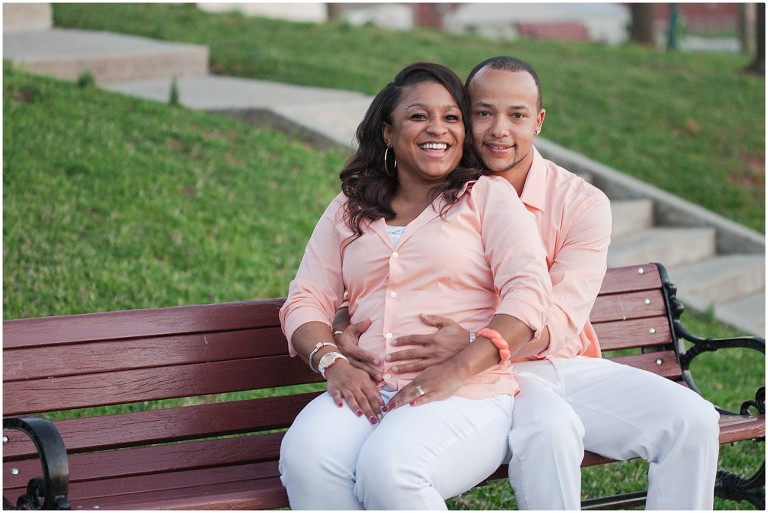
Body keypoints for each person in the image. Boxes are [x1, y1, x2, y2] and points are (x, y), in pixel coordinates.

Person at [333, 56, 720, 510]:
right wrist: (344, 324)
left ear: (537, 122)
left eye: (516, 115)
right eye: (483, 113)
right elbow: (367, 279)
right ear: (462, 115)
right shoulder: (427, 185)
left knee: (692, 418)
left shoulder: (580, 203)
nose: (499, 130)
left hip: (543, 363)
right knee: (549, 431)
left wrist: (477, 342)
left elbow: (561, 315)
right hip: (462, 379)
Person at [278, 62, 552, 509]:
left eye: (451, 117)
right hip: (367, 385)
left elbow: (529, 294)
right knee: (307, 456)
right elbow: (306, 297)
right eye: (419, 116)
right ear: (388, 132)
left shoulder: (487, 197)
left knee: (391, 470)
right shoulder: (352, 208)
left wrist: (459, 365)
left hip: (467, 391)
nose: (437, 129)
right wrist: (333, 361)